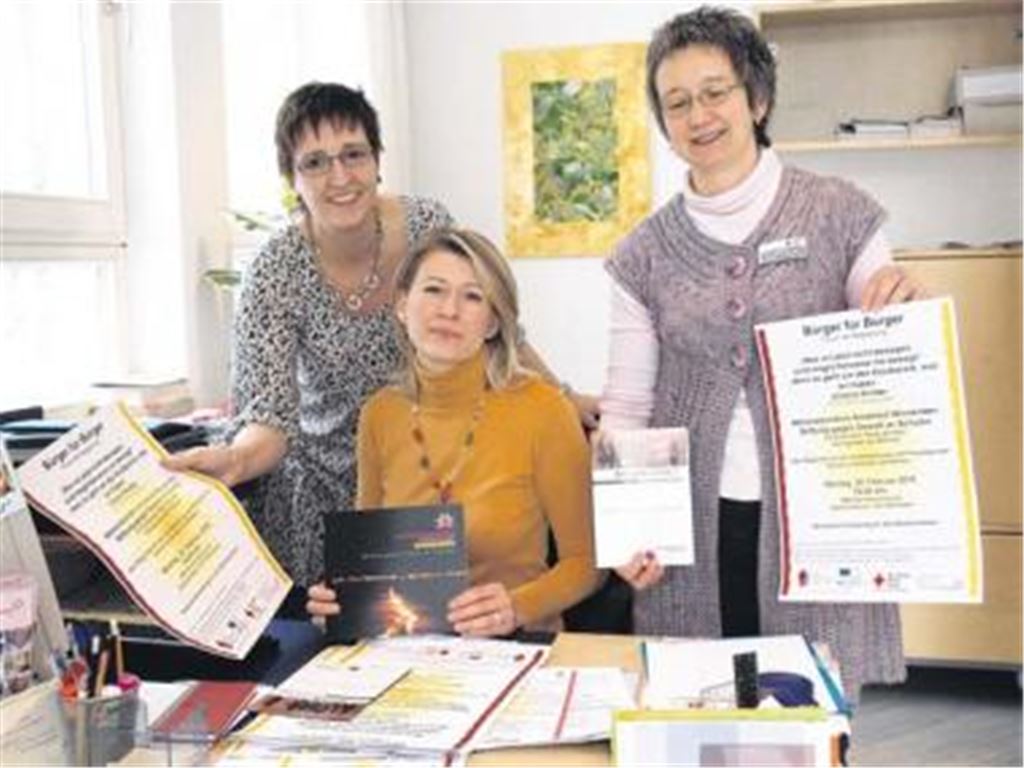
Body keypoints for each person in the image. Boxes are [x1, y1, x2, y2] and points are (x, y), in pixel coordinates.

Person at [165, 83, 595, 616]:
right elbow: (270, 417)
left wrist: (563, 398)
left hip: (453, 458)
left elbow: (496, 318)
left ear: (377, 160)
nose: (340, 177)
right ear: (292, 179)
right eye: (315, 162)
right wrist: (234, 461)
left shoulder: (424, 227)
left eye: (354, 155)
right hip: (335, 484)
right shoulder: (274, 274)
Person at [603, 6, 925, 701]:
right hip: (694, 522)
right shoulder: (642, 254)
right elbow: (627, 405)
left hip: (817, 513)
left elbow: (882, 332)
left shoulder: (840, 213)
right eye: (677, 102)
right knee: (703, 709)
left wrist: (895, 308)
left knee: (810, 708)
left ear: (757, 96)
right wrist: (631, 529)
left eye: (715, 91)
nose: (699, 115)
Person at [308, 228, 601, 636]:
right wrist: (341, 597)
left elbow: (587, 563)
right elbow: (369, 565)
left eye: (472, 296)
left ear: (493, 323)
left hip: (518, 644)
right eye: (434, 290)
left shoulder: (543, 409)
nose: (449, 310)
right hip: (408, 648)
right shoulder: (379, 414)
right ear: (402, 304)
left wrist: (516, 607)